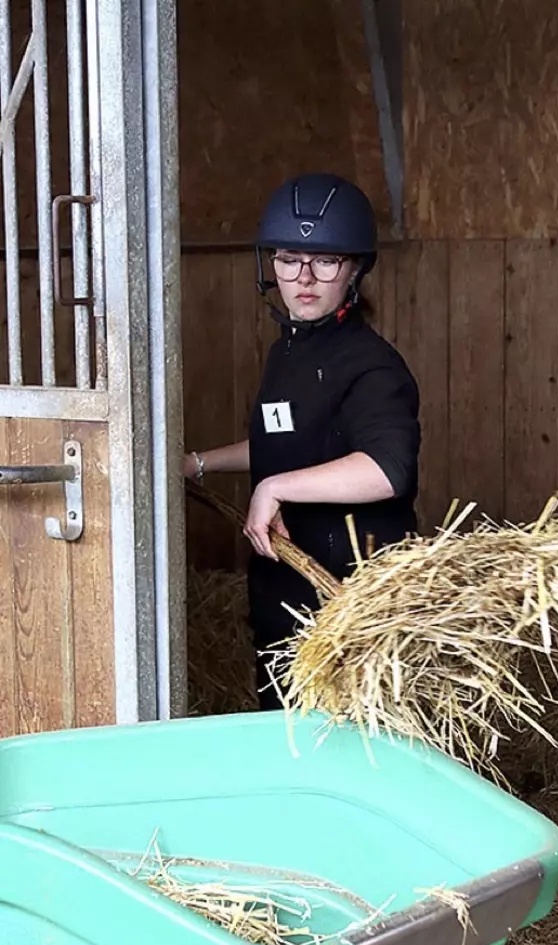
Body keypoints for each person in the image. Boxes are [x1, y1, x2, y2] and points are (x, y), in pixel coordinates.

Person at [185, 172, 421, 711]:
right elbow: (284, 440)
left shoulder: (373, 367)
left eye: (327, 261)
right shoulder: (289, 352)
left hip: (346, 602)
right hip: (283, 587)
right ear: (271, 264)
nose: (304, 276)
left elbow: (387, 470)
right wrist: (197, 464)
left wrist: (273, 487)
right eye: (290, 257)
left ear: (355, 268)